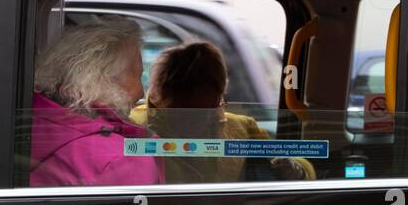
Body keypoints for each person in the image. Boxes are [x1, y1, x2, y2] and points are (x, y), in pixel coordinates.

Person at [133, 40, 313, 184]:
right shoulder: (129, 129)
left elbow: (296, 164)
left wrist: (295, 169)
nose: (196, 120)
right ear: (160, 95)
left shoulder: (243, 128)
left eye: (208, 109)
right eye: (184, 110)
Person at [29, 19, 161, 187]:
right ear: (101, 80)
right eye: (136, 75)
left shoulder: (28, 125)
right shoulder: (122, 160)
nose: (141, 92)